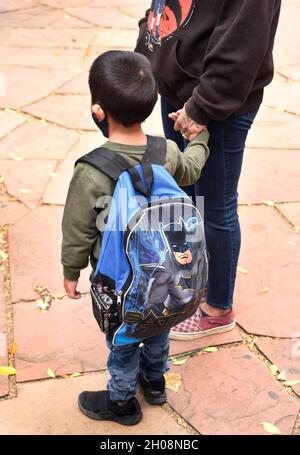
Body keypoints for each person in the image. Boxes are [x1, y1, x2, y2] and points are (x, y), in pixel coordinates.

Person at [61, 50, 209, 425]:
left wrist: (70, 269)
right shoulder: (166, 152)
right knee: (159, 325)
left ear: (98, 111)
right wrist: (201, 136)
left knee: (124, 339)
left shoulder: (92, 170)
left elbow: (77, 230)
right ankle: (155, 382)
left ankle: (122, 402)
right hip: (167, 279)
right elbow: (192, 168)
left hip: (120, 284)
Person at [135, 0, 282, 340]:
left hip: (219, 103)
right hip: (177, 86)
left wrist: (202, 107)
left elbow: (243, 43)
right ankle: (193, 281)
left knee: (216, 205)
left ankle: (218, 308)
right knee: (185, 194)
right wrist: (146, 56)